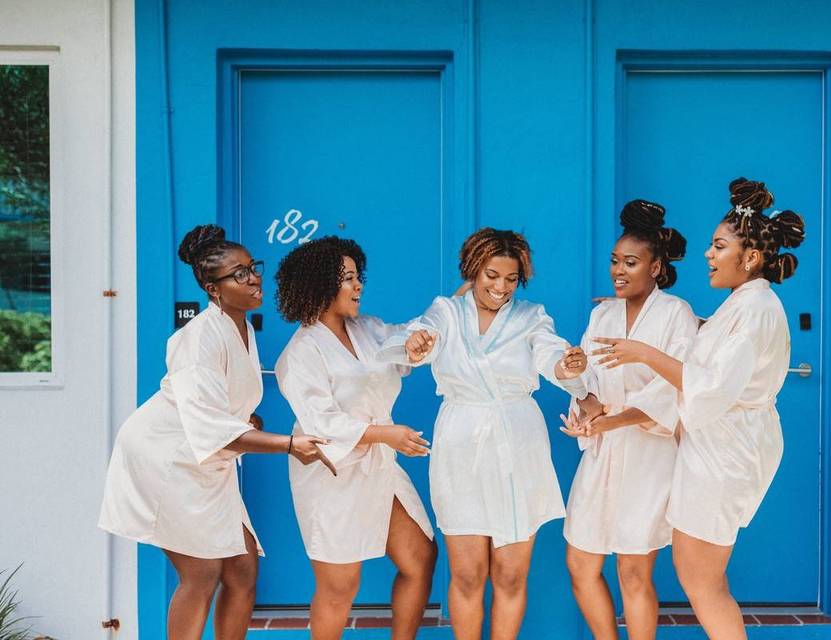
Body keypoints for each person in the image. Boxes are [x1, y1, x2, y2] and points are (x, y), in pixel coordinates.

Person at [591, 179, 805, 640]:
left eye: (719, 245)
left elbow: (707, 385)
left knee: (700, 575)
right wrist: (638, 308)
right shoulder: (745, 304)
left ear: (749, 258)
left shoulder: (755, 310)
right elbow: (712, 348)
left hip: (726, 452)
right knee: (696, 571)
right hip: (716, 446)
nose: (708, 254)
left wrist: (644, 351)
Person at [99, 224, 331, 640]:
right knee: (201, 572)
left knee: (242, 570)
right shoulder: (198, 338)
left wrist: (246, 420)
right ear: (213, 288)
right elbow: (208, 425)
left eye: (252, 267)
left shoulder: (240, 326)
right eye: (239, 273)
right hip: (166, 458)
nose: (254, 277)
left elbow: (221, 406)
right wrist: (289, 444)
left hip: (206, 460)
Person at [378, 228, 588, 640]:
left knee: (510, 575)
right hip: (462, 442)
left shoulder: (531, 316)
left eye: (511, 279)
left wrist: (568, 367)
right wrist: (416, 344)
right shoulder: (446, 312)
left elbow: (549, 352)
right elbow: (420, 335)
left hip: (518, 441)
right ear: (474, 269)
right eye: (492, 275)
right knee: (468, 574)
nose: (501, 287)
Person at [273, 237, 437, 640]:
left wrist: (420, 340)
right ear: (319, 283)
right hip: (332, 474)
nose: (358, 285)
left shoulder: (368, 329)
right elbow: (322, 423)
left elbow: (405, 340)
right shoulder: (300, 353)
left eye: (357, 276)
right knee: (339, 586)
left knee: (420, 557)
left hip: (380, 464)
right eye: (347, 278)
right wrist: (387, 434)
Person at [560, 199, 698, 640]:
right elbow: (589, 383)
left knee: (633, 569)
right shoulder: (602, 314)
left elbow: (675, 389)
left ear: (656, 268)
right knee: (580, 562)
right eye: (615, 261)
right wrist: (586, 404)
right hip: (602, 450)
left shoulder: (676, 315)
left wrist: (612, 421)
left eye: (631, 263)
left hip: (648, 455)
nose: (619, 270)